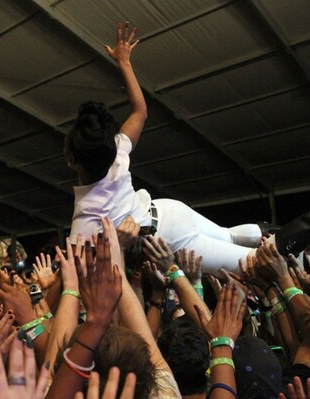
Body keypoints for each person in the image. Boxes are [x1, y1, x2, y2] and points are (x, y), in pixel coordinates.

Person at [65, 22, 263, 273]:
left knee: (257, 265)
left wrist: (115, 242)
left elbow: (85, 276)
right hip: (168, 209)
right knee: (231, 236)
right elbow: (140, 111)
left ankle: (299, 253)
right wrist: (124, 62)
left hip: (169, 239)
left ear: (72, 159)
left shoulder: (83, 220)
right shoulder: (116, 154)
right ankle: (291, 240)